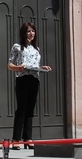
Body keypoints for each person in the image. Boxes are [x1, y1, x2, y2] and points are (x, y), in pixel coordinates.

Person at [7, 21, 52, 149]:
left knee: (30, 109)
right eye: (28, 31)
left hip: (34, 79)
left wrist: (42, 68)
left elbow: (35, 65)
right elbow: (9, 65)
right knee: (21, 108)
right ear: (23, 33)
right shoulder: (17, 47)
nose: (31, 33)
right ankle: (16, 139)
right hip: (22, 79)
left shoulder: (36, 49)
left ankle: (28, 138)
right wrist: (17, 68)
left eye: (33, 31)